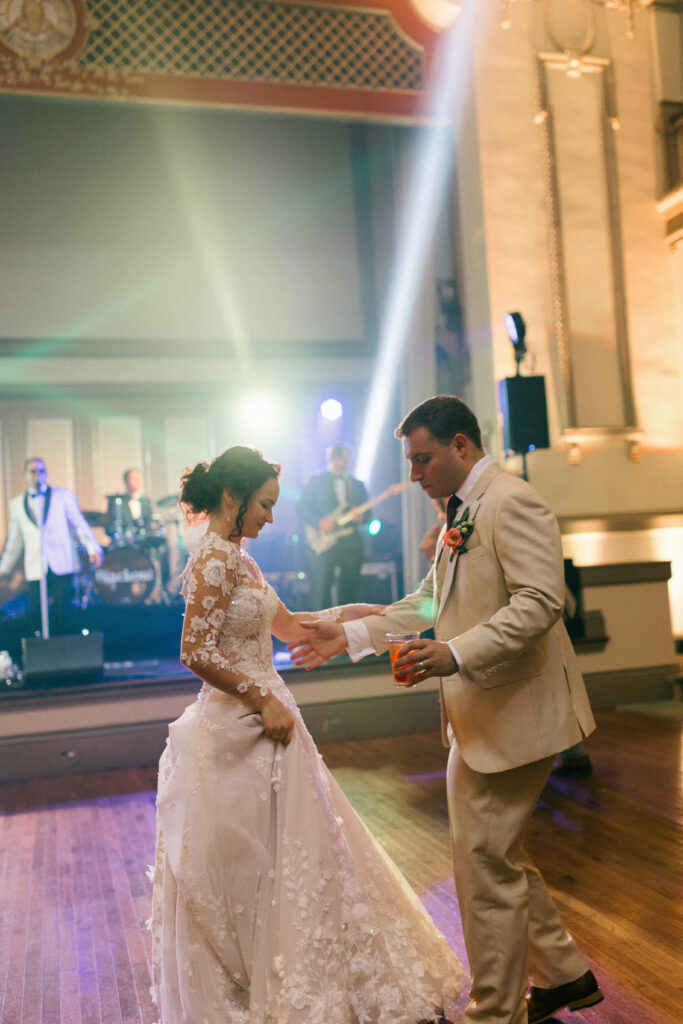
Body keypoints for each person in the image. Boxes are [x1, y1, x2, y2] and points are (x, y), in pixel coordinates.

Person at [290, 396, 604, 1024]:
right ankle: (564, 975)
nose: (413, 474)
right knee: (490, 854)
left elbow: (542, 602)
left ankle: (495, 1013)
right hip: (481, 712)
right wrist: (351, 633)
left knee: (484, 860)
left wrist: (454, 653)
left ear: (461, 445)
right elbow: (431, 602)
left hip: (516, 709)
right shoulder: (463, 509)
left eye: (422, 458)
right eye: (411, 461)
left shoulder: (512, 501)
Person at [148, 445, 467, 1024]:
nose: (271, 517)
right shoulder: (213, 558)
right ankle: (254, 986)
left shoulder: (241, 559)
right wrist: (260, 698)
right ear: (232, 496)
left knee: (293, 859)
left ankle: (297, 974)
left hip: (274, 724)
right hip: (239, 728)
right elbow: (194, 651)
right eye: (265, 505)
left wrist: (357, 614)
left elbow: (290, 627)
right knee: (252, 866)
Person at [0, 457, 103, 636]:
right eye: (32, 471)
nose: (37, 475)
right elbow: (15, 541)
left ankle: (66, 646)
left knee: (64, 610)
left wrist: (92, 548)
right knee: (35, 611)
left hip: (61, 562)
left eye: (41, 471)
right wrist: (4, 569)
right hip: (36, 565)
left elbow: (78, 523)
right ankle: (40, 647)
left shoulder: (62, 495)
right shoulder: (16, 504)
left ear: (46, 474)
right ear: (25, 475)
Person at [297, 444, 369, 609]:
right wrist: (320, 522)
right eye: (342, 457)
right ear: (333, 458)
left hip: (350, 541)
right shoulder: (317, 482)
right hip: (325, 541)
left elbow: (368, 514)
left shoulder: (357, 484)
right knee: (322, 588)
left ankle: (347, 622)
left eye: (347, 458)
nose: (345, 462)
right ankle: (321, 622)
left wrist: (361, 518)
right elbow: (302, 508)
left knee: (349, 590)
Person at [106, 467, 154, 542]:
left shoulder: (146, 502)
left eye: (139, 478)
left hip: (144, 542)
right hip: (124, 543)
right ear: (126, 481)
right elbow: (109, 526)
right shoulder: (117, 502)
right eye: (134, 478)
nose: (137, 481)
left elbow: (150, 523)